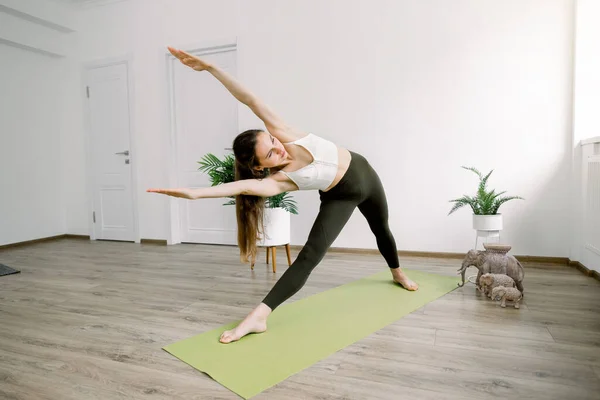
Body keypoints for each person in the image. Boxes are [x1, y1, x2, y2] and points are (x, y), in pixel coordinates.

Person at [148, 47, 419, 344]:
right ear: (259, 167)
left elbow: (248, 99)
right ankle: (258, 316)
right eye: (270, 154)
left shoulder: (285, 133)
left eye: (272, 141)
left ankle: (397, 272)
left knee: (382, 229)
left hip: (366, 173)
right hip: (340, 196)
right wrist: (193, 194)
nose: (279, 148)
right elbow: (239, 188)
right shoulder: (277, 182)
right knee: (309, 257)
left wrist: (211, 67)